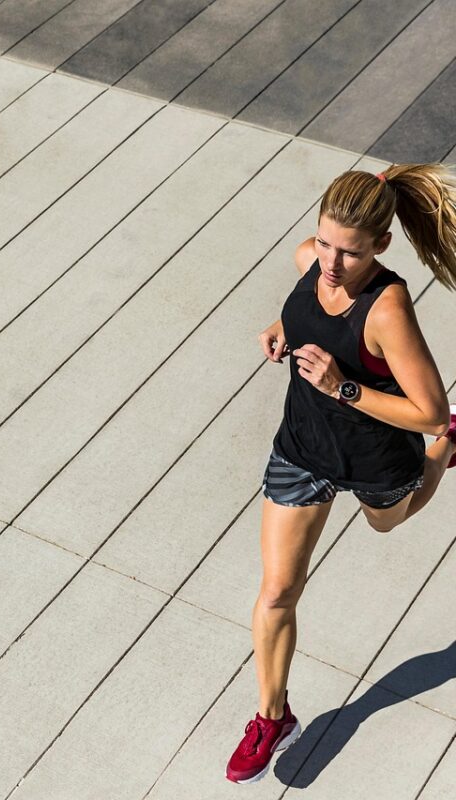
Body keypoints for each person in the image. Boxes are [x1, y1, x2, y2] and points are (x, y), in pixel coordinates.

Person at [225, 163, 456, 785]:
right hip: (302, 447)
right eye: (325, 242)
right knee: (277, 591)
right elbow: (308, 311)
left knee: (389, 521)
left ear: (380, 247)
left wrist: (343, 385)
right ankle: (273, 717)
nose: (330, 262)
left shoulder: (387, 307)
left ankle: (444, 456)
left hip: (376, 452)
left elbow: (428, 409)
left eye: (349, 252)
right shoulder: (310, 260)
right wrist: (281, 329)